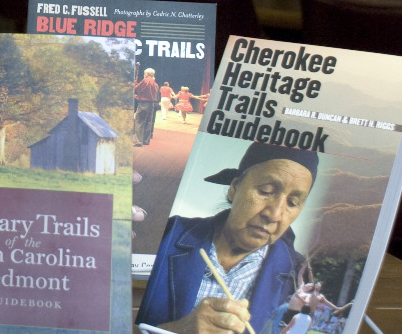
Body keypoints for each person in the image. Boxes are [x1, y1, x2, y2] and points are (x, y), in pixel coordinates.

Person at [136, 141, 317, 334]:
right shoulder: (167, 235)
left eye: (292, 202)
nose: (274, 215)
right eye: (266, 191)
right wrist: (176, 330)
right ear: (234, 187)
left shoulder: (299, 277)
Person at [134, 66, 161, 146]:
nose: (144, 74)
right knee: (148, 122)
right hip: (151, 104)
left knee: (139, 122)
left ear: (147, 73)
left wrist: (135, 84)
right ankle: (146, 140)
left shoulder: (145, 80)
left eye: (145, 73)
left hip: (143, 103)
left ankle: (139, 141)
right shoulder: (155, 84)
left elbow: (136, 88)